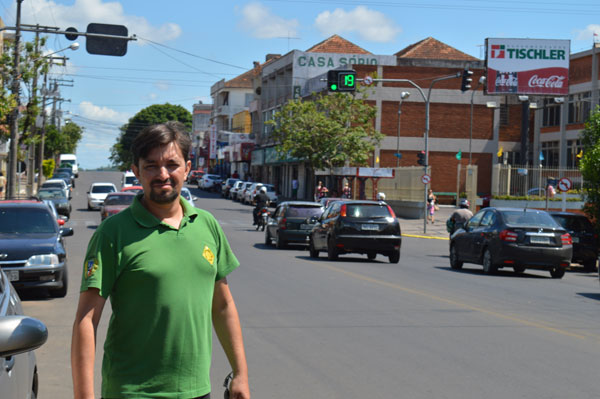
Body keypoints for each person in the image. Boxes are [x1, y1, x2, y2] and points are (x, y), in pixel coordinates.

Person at [71, 122, 250, 399]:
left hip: (197, 391)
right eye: (151, 165)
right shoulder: (113, 233)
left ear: (188, 168)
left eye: (172, 164)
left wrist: (240, 374)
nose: (162, 174)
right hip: (132, 393)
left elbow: (223, 305)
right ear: (136, 172)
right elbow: (86, 319)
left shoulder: (207, 225)